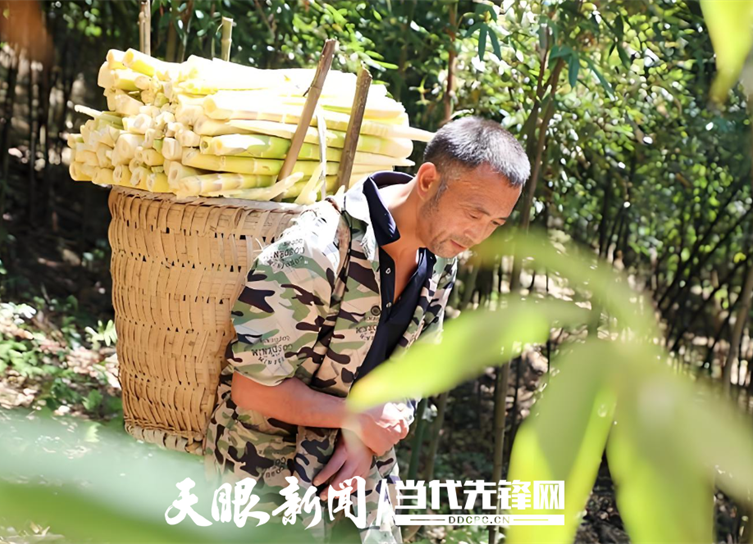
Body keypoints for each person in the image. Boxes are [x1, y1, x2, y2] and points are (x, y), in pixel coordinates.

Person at [204, 116, 530, 543]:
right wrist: (357, 421)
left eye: (495, 224)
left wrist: (366, 441)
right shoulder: (316, 248)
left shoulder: (441, 258)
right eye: (474, 214)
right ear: (428, 180)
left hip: (362, 475)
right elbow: (252, 389)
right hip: (266, 475)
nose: (478, 235)